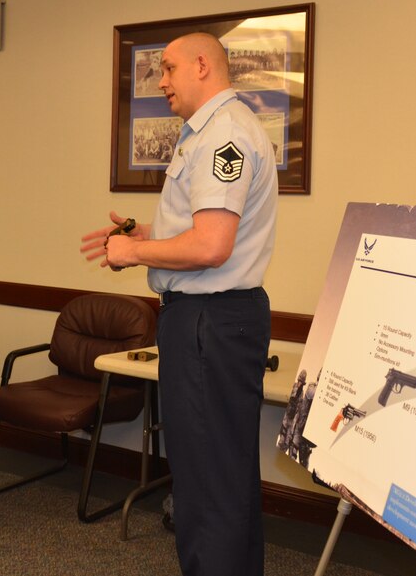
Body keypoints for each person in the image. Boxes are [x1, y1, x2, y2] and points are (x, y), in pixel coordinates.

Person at [81, 32, 278, 576]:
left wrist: (133, 250)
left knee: (206, 483)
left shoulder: (224, 136)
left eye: (167, 69)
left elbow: (211, 247)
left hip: (208, 323)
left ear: (200, 65)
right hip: (216, 320)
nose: (160, 81)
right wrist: (150, 231)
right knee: (223, 475)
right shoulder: (216, 132)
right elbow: (206, 231)